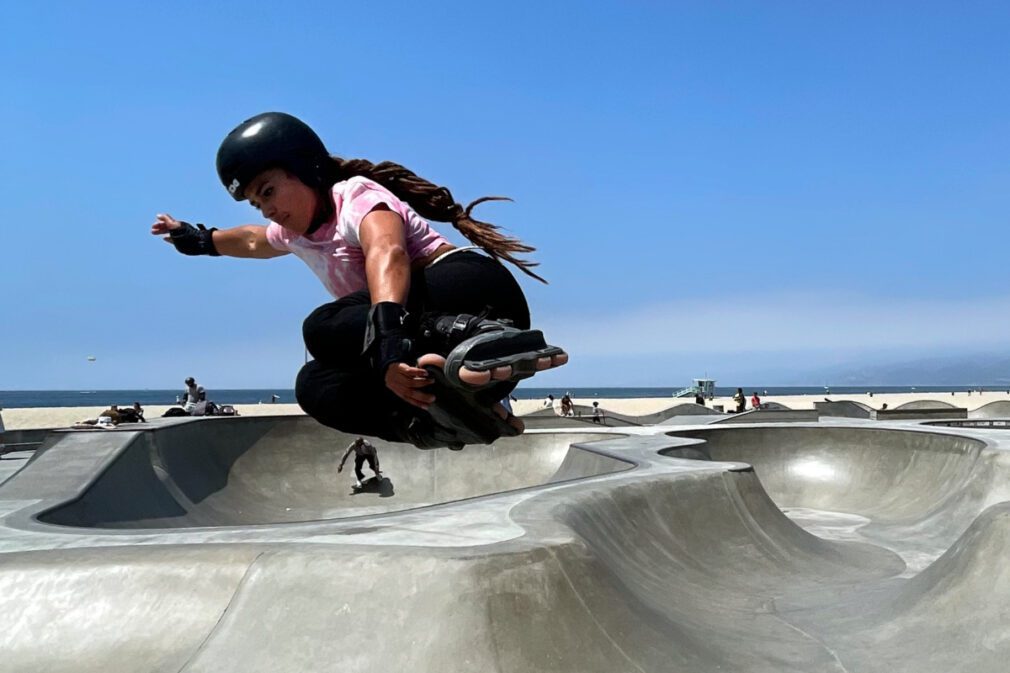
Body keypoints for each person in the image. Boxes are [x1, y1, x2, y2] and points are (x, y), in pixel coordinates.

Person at [152, 112, 567, 450]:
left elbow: (388, 251)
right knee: (315, 385)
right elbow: (251, 240)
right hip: (451, 345)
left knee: (322, 328)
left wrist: (389, 343)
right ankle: (442, 420)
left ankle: (469, 335)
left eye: (269, 191)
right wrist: (197, 239)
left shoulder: (354, 196)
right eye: (257, 203)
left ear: (305, 168)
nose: (267, 210)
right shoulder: (294, 234)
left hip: (469, 289)